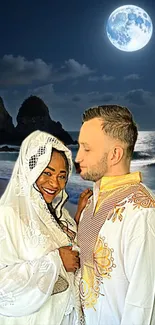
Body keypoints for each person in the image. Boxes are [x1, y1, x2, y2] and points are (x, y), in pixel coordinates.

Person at [0, 130, 91, 325]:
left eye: (62, 176)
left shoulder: (59, 214)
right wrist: (55, 262)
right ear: (30, 170)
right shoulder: (7, 215)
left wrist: (78, 219)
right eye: (47, 173)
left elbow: (68, 248)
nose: (55, 183)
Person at [75, 104, 155, 325]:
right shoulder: (91, 202)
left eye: (87, 149)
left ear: (115, 154)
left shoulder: (142, 211)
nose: (78, 157)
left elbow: (143, 304)